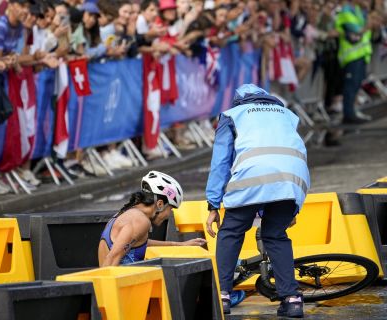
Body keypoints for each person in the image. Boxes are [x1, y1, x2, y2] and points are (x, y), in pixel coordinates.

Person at [205, 84, 310, 318]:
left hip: (251, 177)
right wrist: (295, 206)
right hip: (293, 181)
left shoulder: (232, 116)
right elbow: (295, 154)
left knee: (231, 231)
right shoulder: (287, 115)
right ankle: (292, 300)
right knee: (275, 234)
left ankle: (222, 295)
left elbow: (221, 163)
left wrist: (213, 204)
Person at [99, 170, 206, 266]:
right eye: (171, 209)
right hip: (119, 286)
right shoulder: (140, 221)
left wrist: (180, 245)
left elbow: (139, 242)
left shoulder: (125, 214)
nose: (169, 215)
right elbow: (111, 260)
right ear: (160, 204)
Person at [335, 0, 374, 124]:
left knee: (356, 85)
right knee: (350, 87)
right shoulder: (346, 11)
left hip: (361, 54)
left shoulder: (357, 10)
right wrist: (370, 23)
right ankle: (348, 114)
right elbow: (357, 31)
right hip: (351, 55)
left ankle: (352, 111)